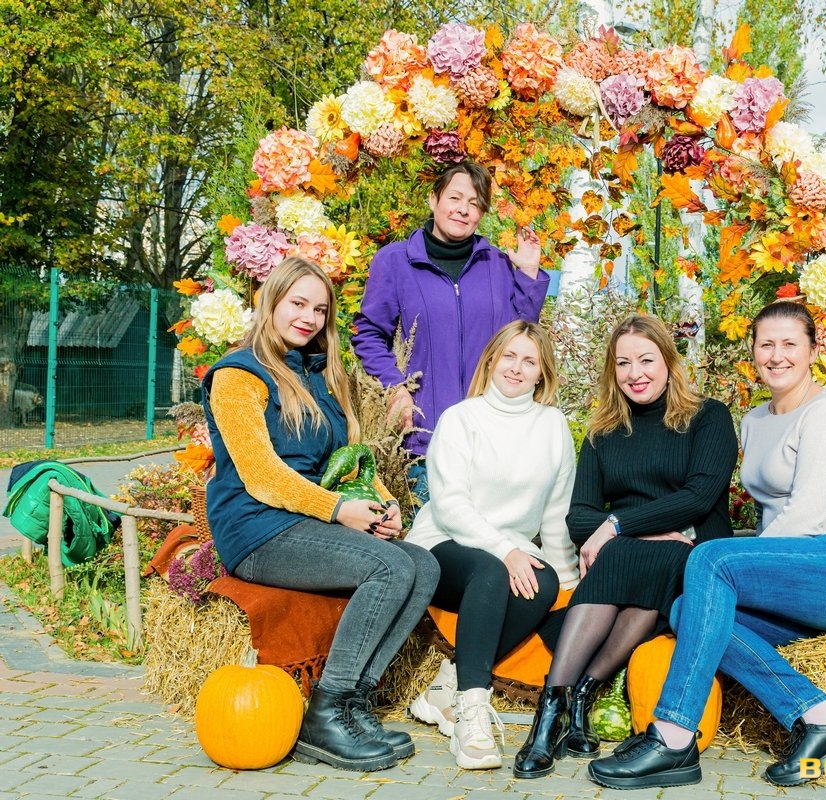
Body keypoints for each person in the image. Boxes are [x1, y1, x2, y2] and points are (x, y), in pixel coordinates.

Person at [588, 301, 826, 790]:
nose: (777, 356)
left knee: (710, 562)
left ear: (813, 351)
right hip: (805, 569)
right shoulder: (755, 420)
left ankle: (673, 734)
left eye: (790, 344)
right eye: (766, 345)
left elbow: (803, 517)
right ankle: (823, 718)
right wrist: (702, 547)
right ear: (753, 352)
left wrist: (716, 557)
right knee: (686, 610)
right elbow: (769, 522)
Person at [202, 256, 439, 773]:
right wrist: (338, 509)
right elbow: (262, 475)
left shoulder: (320, 375)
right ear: (271, 301)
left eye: (320, 309)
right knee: (389, 567)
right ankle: (324, 715)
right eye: (298, 304)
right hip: (257, 528)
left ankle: (355, 705)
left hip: (309, 521)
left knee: (423, 564)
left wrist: (382, 504)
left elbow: (348, 457)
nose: (309, 318)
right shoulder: (238, 375)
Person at [514, 314, 738, 779]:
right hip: (630, 551)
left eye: (646, 360)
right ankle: (558, 707)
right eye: (623, 363)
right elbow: (578, 517)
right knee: (624, 553)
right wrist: (627, 530)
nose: (635, 373)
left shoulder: (707, 417)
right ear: (611, 370)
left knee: (647, 553)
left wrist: (617, 525)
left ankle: (569, 701)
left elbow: (699, 498)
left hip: (694, 547)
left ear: (668, 361)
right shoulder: (603, 432)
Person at [404, 321, 580, 770]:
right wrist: (505, 550)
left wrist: (568, 581)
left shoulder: (552, 426)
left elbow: (556, 513)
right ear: (492, 360)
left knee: (542, 586)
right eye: (509, 356)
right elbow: (451, 505)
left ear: (542, 373)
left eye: (529, 361)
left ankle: (446, 683)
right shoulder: (462, 418)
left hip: (508, 551)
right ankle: (472, 712)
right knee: (491, 571)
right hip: (443, 543)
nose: (517, 368)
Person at [351, 160, 550, 504]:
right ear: (434, 199)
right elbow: (368, 333)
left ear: (482, 213)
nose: (463, 209)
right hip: (425, 443)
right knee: (431, 534)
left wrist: (529, 271)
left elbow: (520, 337)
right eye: (455, 198)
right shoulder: (395, 261)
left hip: (490, 440)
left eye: (474, 203)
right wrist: (396, 386)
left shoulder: (497, 265)